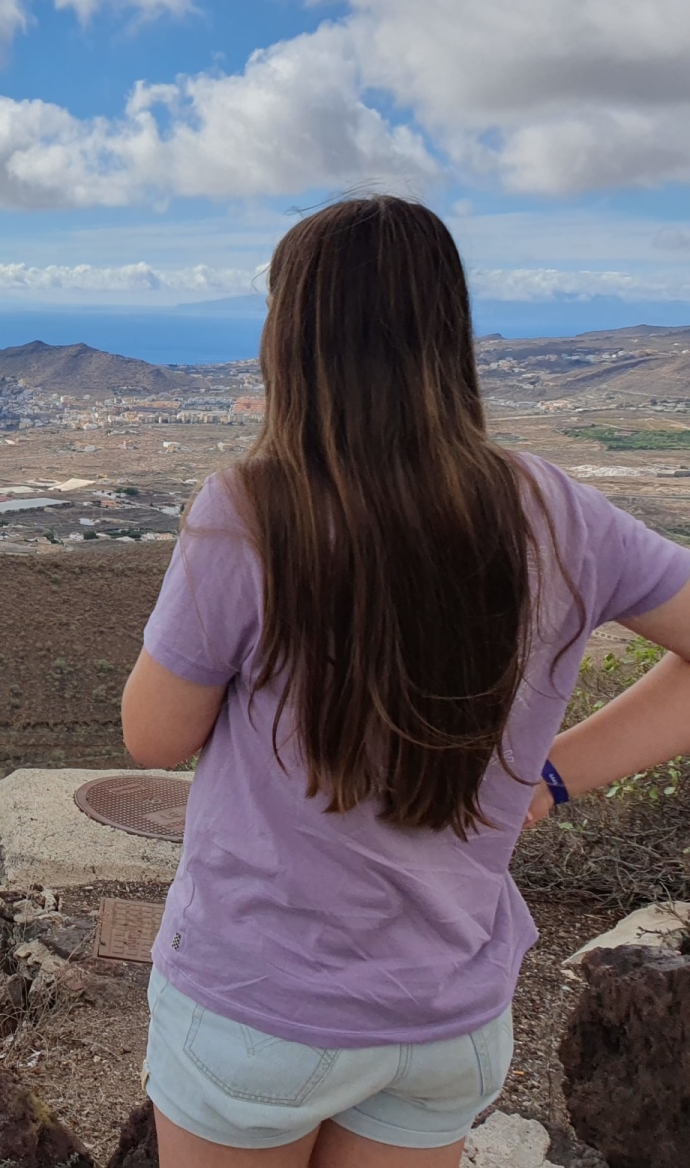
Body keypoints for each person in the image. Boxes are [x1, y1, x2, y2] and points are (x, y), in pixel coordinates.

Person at [120, 195, 690, 1167]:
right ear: (445, 335)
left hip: (260, 1007)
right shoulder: (552, 508)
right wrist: (550, 779)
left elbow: (154, 736)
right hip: (443, 1023)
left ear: (292, 341)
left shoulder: (250, 513)